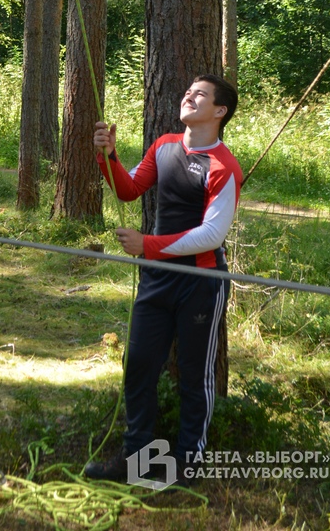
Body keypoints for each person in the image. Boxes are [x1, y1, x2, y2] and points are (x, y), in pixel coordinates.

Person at [85, 74, 242, 485]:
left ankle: (188, 464)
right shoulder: (164, 145)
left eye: (200, 94)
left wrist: (147, 245)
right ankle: (135, 459)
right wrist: (108, 156)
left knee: (194, 375)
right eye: (188, 90)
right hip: (157, 278)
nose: (188, 96)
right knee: (138, 365)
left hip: (200, 282)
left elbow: (211, 235)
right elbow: (129, 189)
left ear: (220, 111)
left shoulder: (224, 166)